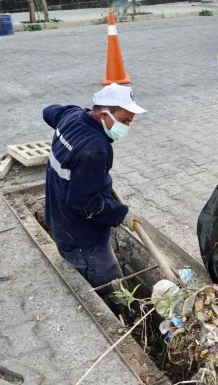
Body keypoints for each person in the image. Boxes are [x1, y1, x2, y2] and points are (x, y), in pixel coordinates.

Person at [42, 83, 145, 296]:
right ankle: (120, 316)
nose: (126, 127)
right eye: (124, 121)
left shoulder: (72, 116)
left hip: (59, 219)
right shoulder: (95, 150)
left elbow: (48, 112)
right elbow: (84, 202)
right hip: (83, 238)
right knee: (114, 287)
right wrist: (122, 214)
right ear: (103, 114)